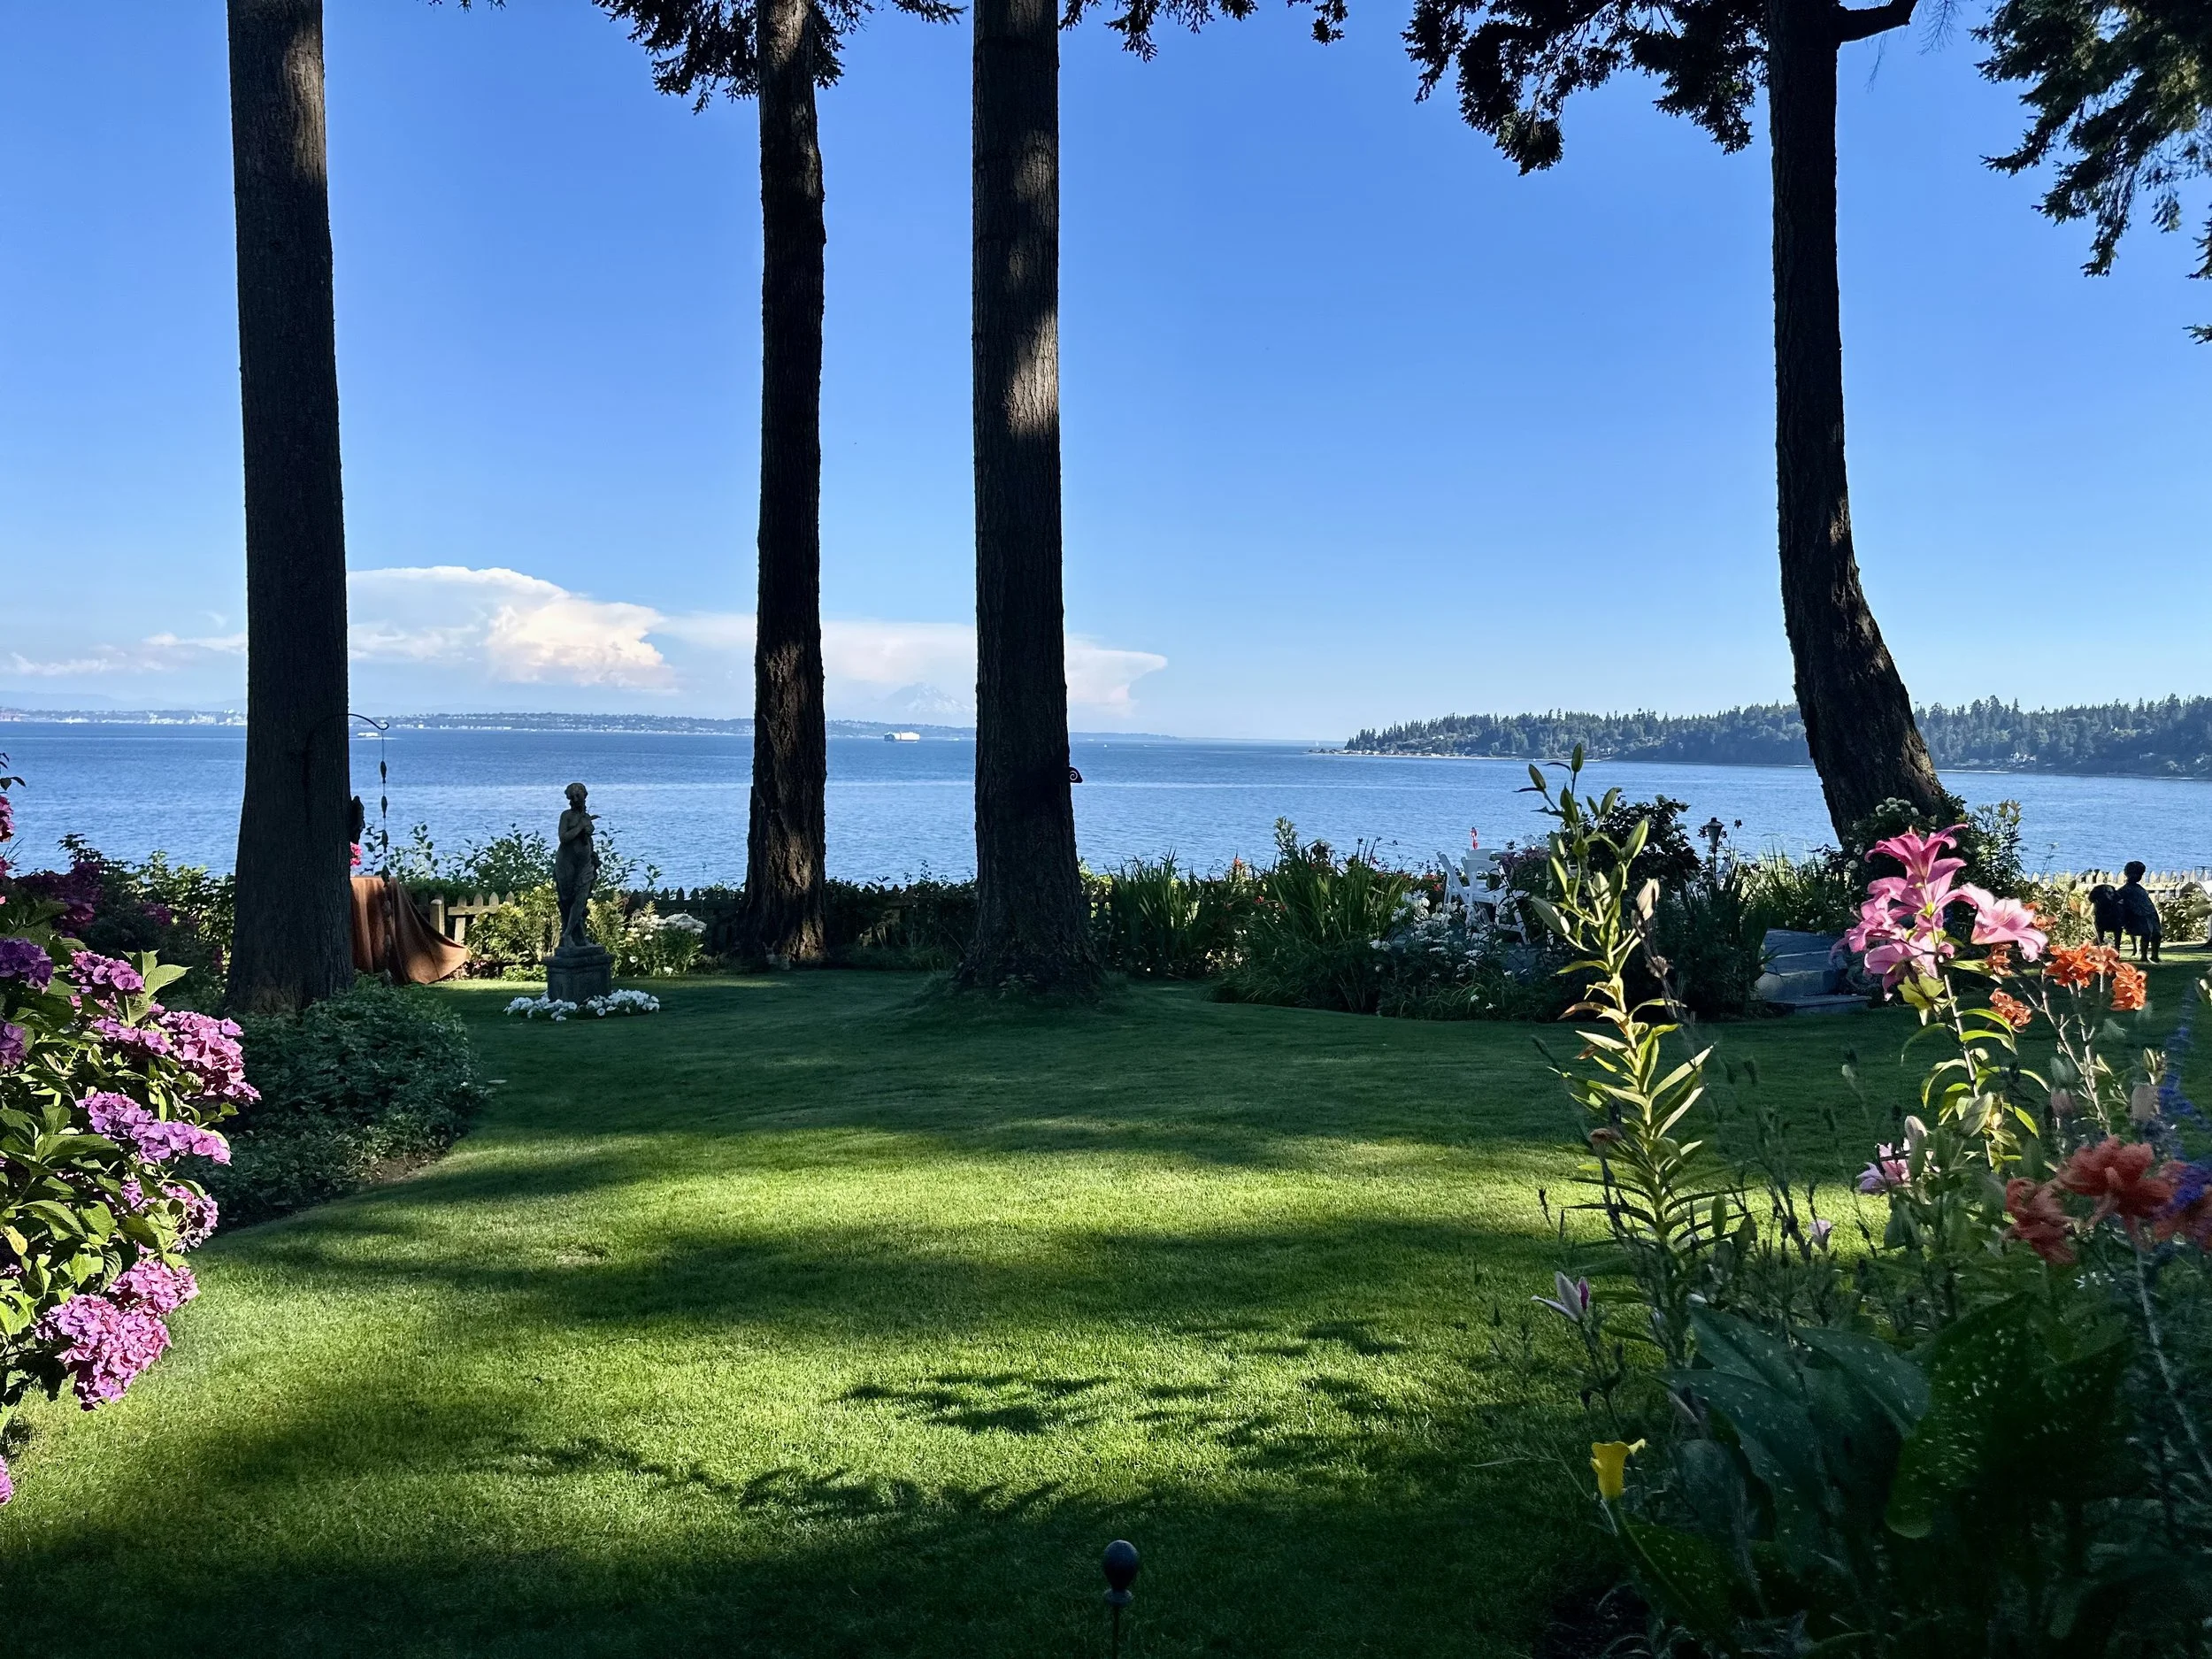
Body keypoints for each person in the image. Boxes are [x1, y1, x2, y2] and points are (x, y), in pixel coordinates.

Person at [554, 782, 600, 950]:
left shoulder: (586, 816)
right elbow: (563, 838)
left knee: (581, 899)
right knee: (567, 901)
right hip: (567, 864)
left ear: (584, 795)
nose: (575, 799)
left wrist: (593, 854)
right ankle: (572, 937)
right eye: (571, 797)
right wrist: (581, 826)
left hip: (585, 864)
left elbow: (587, 840)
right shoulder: (566, 816)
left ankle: (570, 935)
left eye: (578, 796)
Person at [2116, 861, 2162, 964]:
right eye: (2136, 874)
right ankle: (2144, 956)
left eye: (2139, 874)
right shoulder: (2125, 890)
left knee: (2157, 934)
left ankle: (2155, 955)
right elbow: (2117, 901)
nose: (2138, 876)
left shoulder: (2140, 889)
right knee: (2146, 932)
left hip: (2149, 913)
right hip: (2137, 916)